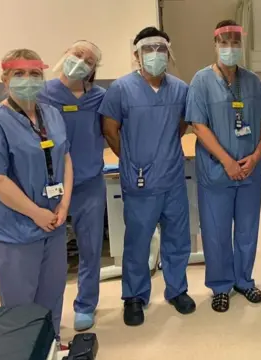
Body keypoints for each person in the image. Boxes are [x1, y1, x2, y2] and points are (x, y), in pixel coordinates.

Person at [99, 27, 194, 326]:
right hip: (139, 180)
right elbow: (109, 129)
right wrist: (131, 158)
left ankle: (177, 289)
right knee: (138, 241)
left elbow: (182, 126)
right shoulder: (121, 89)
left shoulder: (180, 88)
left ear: (168, 53)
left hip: (172, 178)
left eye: (161, 50)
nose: (155, 56)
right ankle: (134, 296)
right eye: (148, 50)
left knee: (178, 239)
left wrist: (162, 154)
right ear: (136, 55)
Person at [0, 49, 73, 345]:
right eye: (19, 74)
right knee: (20, 305)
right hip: (15, 230)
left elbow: (65, 157)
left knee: (52, 294)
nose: (28, 80)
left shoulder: (52, 114)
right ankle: (23, 351)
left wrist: (64, 204)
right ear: (5, 79)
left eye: (34, 74)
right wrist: (36, 213)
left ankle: (51, 345)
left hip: (53, 224)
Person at [187, 20, 261, 312]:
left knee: (247, 228)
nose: (231, 47)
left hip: (249, 169)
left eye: (236, 42)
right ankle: (220, 285)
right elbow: (198, 125)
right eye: (225, 42)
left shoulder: (252, 81)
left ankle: (244, 281)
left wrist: (258, 153)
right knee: (217, 230)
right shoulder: (201, 81)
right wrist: (227, 161)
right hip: (217, 170)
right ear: (215, 44)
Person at [38, 40, 105, 331]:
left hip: (89, 182)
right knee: (51, 255)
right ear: (65, 53)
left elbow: (112, 129)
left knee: (90, 249)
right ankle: (46, 313)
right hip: (51, 186)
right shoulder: (41, 94)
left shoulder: (99, 97)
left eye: (88, 60)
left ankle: (86, 305)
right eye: (77, 55)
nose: (81, 62)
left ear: (93, 70)